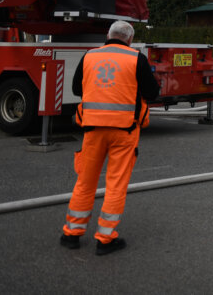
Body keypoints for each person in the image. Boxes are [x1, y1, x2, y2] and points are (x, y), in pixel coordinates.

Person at [60, 20, 160, 256]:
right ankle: (105, 239)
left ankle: (72, 234)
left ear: (108, 35)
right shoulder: (137, 59)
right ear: (130, 40)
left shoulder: (90, 57)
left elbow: (77, 89)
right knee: (115, 185)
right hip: (124, 131)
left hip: (92, 130)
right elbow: (152, 93)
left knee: (85, 182)